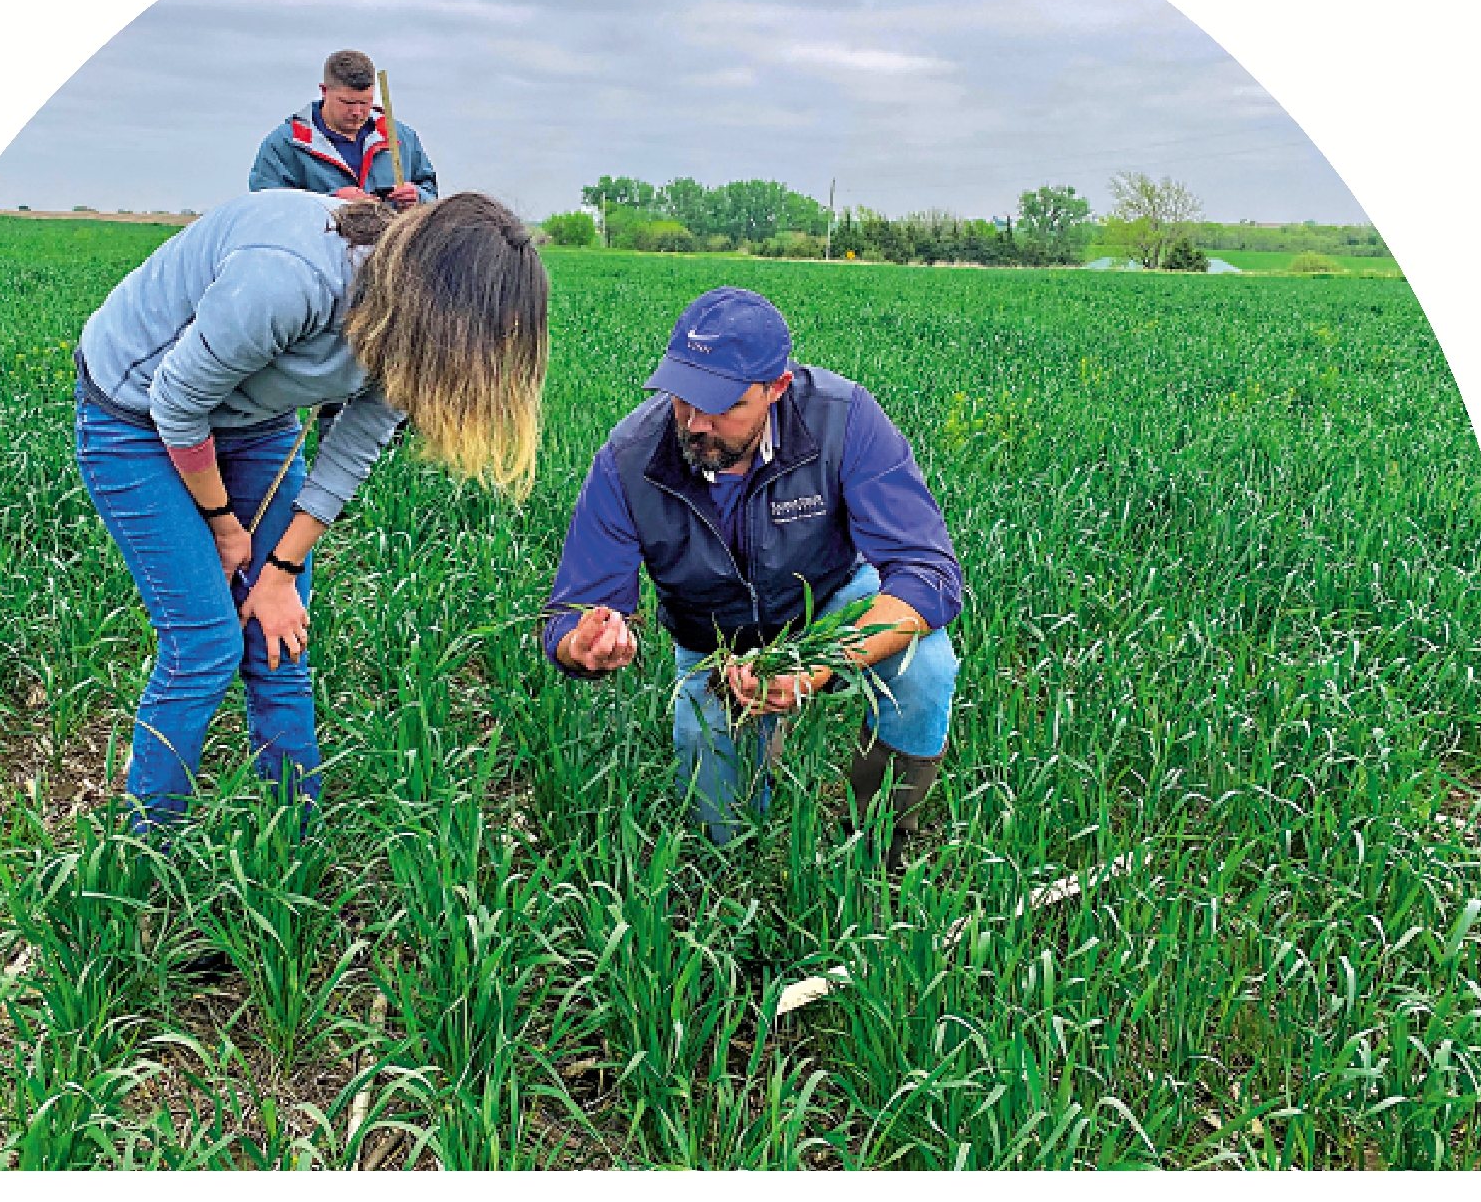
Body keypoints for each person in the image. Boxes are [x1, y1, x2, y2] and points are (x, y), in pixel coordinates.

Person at [75, 188, 546, 830]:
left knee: (280, 629)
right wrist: (225, 527)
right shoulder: (288, 278)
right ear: (432, 293)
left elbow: (354, 446)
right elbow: (178, 401)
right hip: (136, 413)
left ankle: (295, 835)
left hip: (254, 419)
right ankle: (147, 848)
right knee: (205, 642)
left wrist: (281, 573)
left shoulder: (416, 330)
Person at [542, 287, 963, 870]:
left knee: (927, 666)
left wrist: (814, 669)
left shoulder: (842, 419)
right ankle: (741, 885)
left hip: (829, 603)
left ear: (777, 389)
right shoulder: (630, 457)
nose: (695, 422)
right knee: (722, 839)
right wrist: (581, 642)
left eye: (722, 404)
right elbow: (573, 609)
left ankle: (879, 840)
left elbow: (928, 572)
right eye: (682, 397)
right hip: (716, 639)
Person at [248, 49, 439, 206]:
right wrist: (330, 203)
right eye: (347, 102)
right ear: (324, 91)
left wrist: (418, 197)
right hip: (317, 251)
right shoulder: (286, 144)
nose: (357, 112)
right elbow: (266, 209)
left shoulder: (402, 138)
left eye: (366, 102)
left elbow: (431, 194)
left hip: (391, 250)